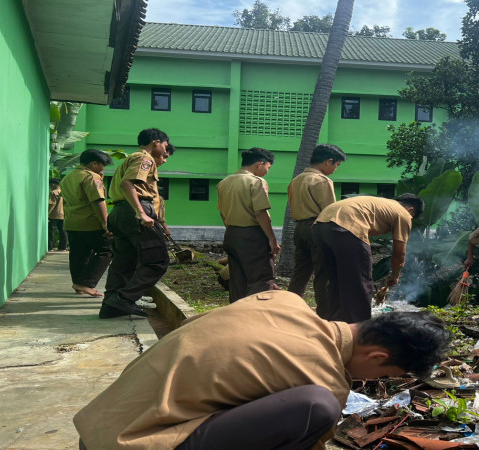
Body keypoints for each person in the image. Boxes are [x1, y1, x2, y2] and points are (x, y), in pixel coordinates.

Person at [73, 290, 451, 450]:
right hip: (134, 445)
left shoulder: (282, 300)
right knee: (314, 406)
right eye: (383, 376)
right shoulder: (325, 381)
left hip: (100, 427)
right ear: (378, 356)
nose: (376, 382)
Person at [312, 194, 424, 323]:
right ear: (410, 210)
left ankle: (329, 322)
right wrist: (394, 275)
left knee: (334, 278)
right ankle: (360, 327)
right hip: (347, 227)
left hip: (319, 226)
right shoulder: (403, 214)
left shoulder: (381, 203)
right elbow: (399, 254)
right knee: (360, 281)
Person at [101, 128, 173, 319]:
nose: (165, 151)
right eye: (165, 146)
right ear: (157, 142)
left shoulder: (131, 158)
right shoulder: (145, 158)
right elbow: (128, 183)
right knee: (158, 261)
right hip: (135, 210)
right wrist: (141, 213)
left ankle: (110, 305)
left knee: (124, 261)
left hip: (120, 211)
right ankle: (124, 299)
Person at [287, 143, 346, 313]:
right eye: (336, 165)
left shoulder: (296, 180)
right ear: (328, 161)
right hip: (318, 228)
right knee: (324, 273)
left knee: (300, 273)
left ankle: (289, 309)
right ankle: (325, 313)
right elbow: (330, 211)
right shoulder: (322, 181)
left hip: (299, 229)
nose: (336, 169)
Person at [216, 147, 280, 303]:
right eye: (268, 167)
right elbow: (261, 213)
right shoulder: (256, 182)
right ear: (260, 164)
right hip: (253, 236)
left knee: (237, 280)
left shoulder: (224, 183)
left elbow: (222, 213)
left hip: (231, 234)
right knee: (261, 279)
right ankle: (257, 317)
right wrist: (272, 239)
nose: (267, 171)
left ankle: (237, 317)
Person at [59, 149, 114, 297]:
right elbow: (98, 201)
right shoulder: (91, 177)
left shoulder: (68, 177)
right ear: (94, 163)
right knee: (106, 250)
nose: (104, 169)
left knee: (78, 254)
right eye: (103, 165)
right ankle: (86, 283)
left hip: (72, 222)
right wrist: (105, 223)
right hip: (90, 222)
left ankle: (78, 284)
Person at [48, 178, 68, 251]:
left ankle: (50, 247)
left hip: (53, 215)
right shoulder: (63, 192)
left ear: (52, 184)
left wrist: (47, 214)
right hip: (62, 214)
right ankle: (63, 247)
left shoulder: (53, 192)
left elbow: (52, 204)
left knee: (51, 231)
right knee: (63, 231)